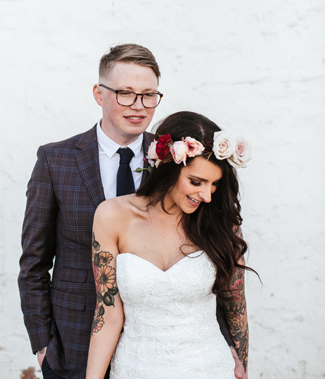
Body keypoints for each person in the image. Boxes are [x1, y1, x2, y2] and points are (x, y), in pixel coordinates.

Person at [18, 44, 243, 379]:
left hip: (170, 349)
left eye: (148, 95)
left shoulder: (179, 160)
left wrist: (229, 346)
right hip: (76, 341)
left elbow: (215, 256)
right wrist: (42, 347)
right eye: (125, 93)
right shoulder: (56, 160)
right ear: (99, 93)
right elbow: (34, 263)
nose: (138, 106)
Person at [85, 111, 253, 379]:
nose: (207, 196)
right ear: (168, 167)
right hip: (135, 368)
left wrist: (243, 365)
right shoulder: (111, 216)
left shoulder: (222, 225)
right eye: (196, 182)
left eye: (214, 185)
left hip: (210, 368)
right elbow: (107, 313)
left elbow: (236, 307)